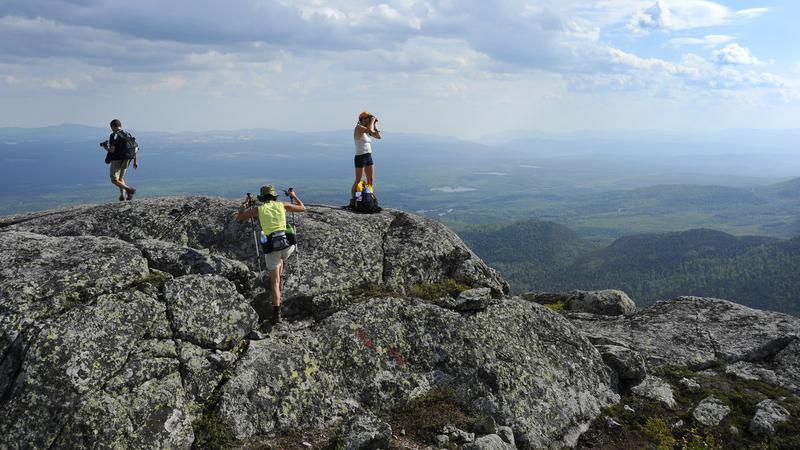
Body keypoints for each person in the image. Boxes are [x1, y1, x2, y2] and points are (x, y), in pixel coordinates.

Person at [236, 184, 306, 324]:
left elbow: (240, 217)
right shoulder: (282, 205)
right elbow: (302, 208)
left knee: (274, 282)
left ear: (262, 198)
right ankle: (280, 276)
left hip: (272, 248)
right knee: (282, 258)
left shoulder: (259, 209)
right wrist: (293, 196)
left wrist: (244, 204)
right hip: (288, 246)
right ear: (274, 196)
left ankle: (276, 313)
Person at [102, 119, 138, 201]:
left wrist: (104, 147)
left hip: (117, 159)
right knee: (120, 178)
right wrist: (135, 161)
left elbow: (112, 150)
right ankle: (122, 196)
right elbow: (134, 147)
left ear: (112, 126)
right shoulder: (128, 134)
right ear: (120, 125)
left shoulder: (113, 135)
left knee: (114, 179)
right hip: (128, 159)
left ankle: (129, 190)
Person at [351, 111, 381, 207]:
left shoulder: (367, 130)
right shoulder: (359, 128)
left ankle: (368, 199)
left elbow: (378, 136)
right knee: (358, 180)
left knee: (370, 180)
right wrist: (372, 120)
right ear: (363, 120)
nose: (369, 120)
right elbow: (369, 129)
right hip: (360, 157)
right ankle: (356, 200)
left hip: (368, 156)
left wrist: (374, 124)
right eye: (367, 119)